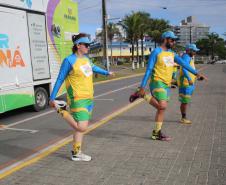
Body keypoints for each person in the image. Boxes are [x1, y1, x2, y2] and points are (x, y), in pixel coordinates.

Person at [49, 33, 114, 161]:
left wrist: (107, 73)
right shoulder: (69, 60)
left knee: (79, 128)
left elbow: (94, 68)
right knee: (82, 127)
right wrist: (52, 98)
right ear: (78, 45)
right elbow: (60, 79)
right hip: (77, 98)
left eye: (89, 45)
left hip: (89, 98)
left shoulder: (86, 60)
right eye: (86, 45)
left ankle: (76, 153)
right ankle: (60, 110)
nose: (88, 47)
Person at [137, 31, 207, 141]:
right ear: (165, 39)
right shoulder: (156, 52)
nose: (174, 42)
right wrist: (142, 86)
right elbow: (149, 69)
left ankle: (156, 133)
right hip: (157, 81)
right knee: (163, 106)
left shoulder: (172, 54)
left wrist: (196, 73)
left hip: (167, 84)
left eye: (174, 40)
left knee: (161, 109)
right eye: (172, 40)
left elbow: (184, 64)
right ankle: (143, 94)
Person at [178, 43, 203, 124]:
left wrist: (197, 77)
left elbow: (190, 70)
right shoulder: (186, 57)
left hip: (189, 83)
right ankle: (183, 118)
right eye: (194, 51)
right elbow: (184, 69)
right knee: (185, 101)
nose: (195, 52)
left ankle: (184, 117)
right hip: (186, 83)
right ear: (189, 50)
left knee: (186, 101)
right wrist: (189, 79)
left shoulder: (189, 57)